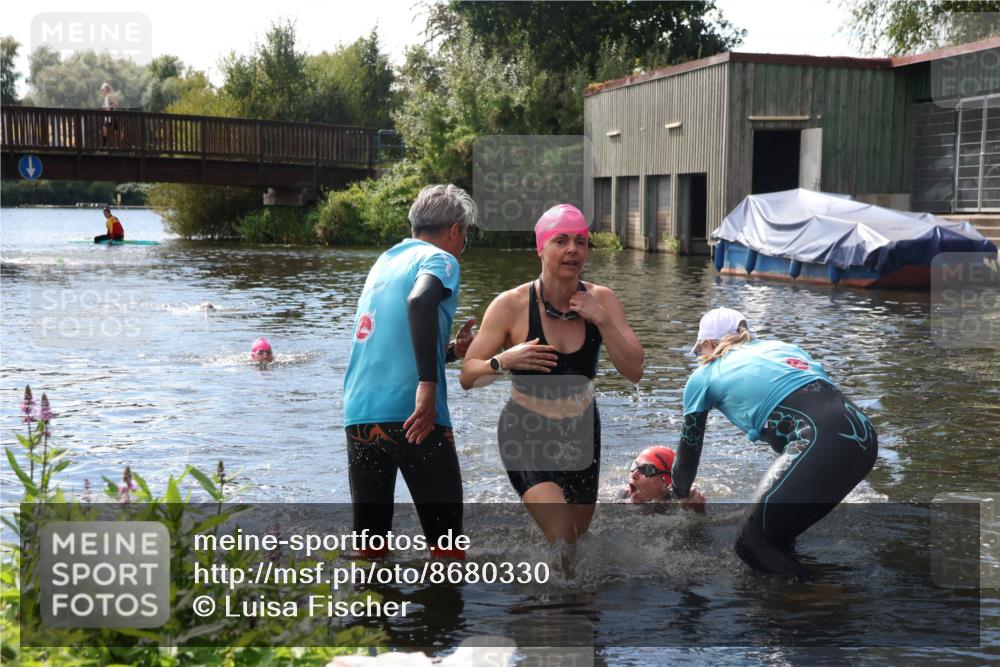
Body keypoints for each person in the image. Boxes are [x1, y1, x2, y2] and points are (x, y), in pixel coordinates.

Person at [460, 204, 644, 555]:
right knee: (564, 538)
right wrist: (503, 360)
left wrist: (601, 319)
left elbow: (635, 369)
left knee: (578, 538)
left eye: (581, 241)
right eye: (561, 241)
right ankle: (550, 607)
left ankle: (568, 603)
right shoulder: (510, 305)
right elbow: (469, 375)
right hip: (525, 430)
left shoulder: (601, 299)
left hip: (581, 431)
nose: (573, 250)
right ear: (540, 248)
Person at [667, 307, 878, 578]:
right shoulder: (783, 348)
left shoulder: (703, 377)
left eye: (699, 351)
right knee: (776, 538)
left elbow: (688, 453)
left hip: (820, 440)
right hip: (864, 436)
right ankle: (797, 601)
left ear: (708, 344)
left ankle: (826, 602)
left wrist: (677, 496)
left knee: (751, 544)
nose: (700, 358)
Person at [343, 184, 478, 560]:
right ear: (454, 230)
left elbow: (390, 341)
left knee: (370, 549)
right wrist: (428, 383)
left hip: (359, 415)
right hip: (414, 415)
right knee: (447, 548)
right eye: (464, 236)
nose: (461, 245)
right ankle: (444, 617)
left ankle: (371, 615)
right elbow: (420, 300)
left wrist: (450, 352)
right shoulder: (440, 259)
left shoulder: (384, 261)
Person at [622, 445, 705, 512]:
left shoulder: (675, 508)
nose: (634, 474)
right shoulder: (623, 495)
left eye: (647, 470)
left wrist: (697, 511)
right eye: (634, 466)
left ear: (665, 484)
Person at [100, 82, 119, 148]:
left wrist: (109, 108)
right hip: (108, 116)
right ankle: (107, 145)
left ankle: (106, 145)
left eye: (103, 90)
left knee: (111, 130)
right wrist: (105, 107)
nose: (102, 91)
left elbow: (116, 104)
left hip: (111, 116)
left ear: (107, 90)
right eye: (102, 90)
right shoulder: (106, 97)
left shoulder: (109, 96)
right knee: (108, 129)